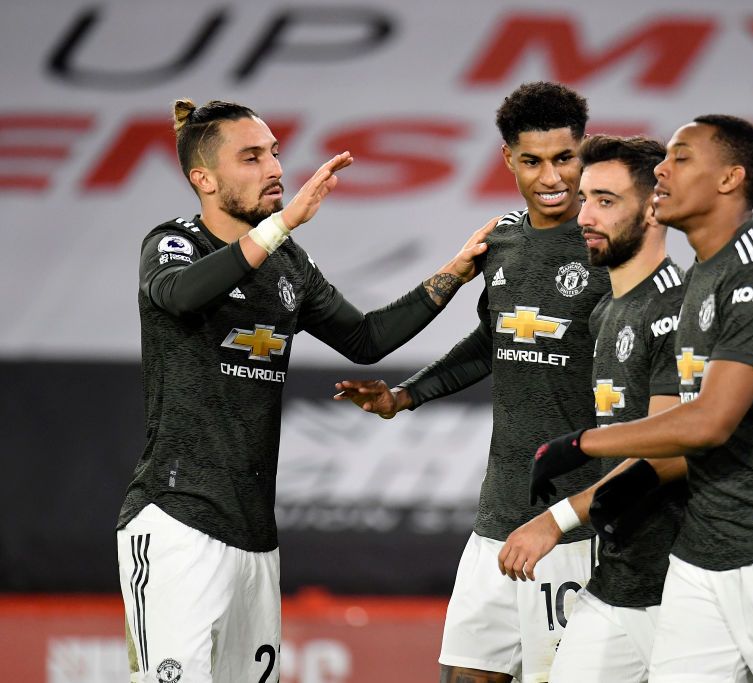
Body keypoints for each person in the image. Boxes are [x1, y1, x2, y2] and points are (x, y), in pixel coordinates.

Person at [115, 98, 492, 683]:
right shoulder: (173, 242)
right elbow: (183, 295)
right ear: (204, 179)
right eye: (252, 157)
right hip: (175, 521)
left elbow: (366, 339)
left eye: (274, 153)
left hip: (255, 536)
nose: (275, 169)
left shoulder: (288, 263)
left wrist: (452, 274)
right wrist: (283, 223)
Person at [529, 115, 753, 682]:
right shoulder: (704, 276)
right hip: (702, 552)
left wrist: (581, 444)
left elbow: (709, 423)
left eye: (682, 158)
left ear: (731, 178)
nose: (662, 168)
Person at [334, 82, 610, 683]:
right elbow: (495, 340)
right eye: (533, 160)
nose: (551, 176)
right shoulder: (502, 241)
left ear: (584, 152)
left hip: (576, 523)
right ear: (508, 158)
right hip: (500, 514)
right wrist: (405, 395)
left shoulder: (610, 247)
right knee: (466, 676)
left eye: (564, 158)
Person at [496, 134, 689, 683]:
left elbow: (672, 455)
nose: (585, 215)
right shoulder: (607, 311)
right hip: (620, 579)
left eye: (606, 200)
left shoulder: (679, 309)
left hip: (686, 587)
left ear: (655, 206)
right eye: (585, 199)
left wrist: (557, 520)